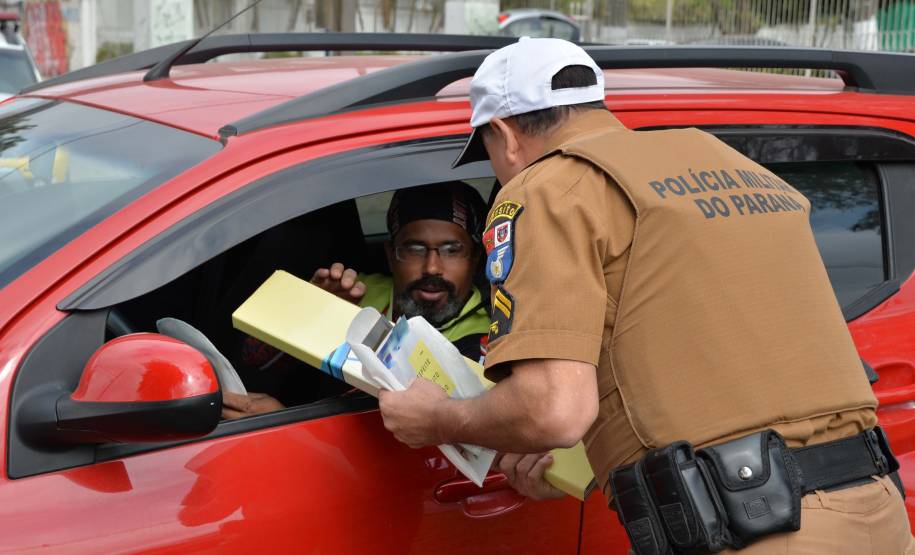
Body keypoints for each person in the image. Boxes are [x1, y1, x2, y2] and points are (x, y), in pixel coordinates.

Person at [376, 37, 913, 554]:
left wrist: (440, 418)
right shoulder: (728, 163)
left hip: (756, 529)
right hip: (877, 509)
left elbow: (555, 410)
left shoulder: (548, 189)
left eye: (488, 149)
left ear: (504, 133)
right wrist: (586, 463)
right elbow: (698, 347)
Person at [223, 181, 491, 419]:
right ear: (390, 254)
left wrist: (282, 422)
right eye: (414, 249)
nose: (432, 267)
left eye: (452, 250)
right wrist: (305, 311)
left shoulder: (491, 335)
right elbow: (250, 367)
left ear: (476, 257)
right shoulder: (353, 295)